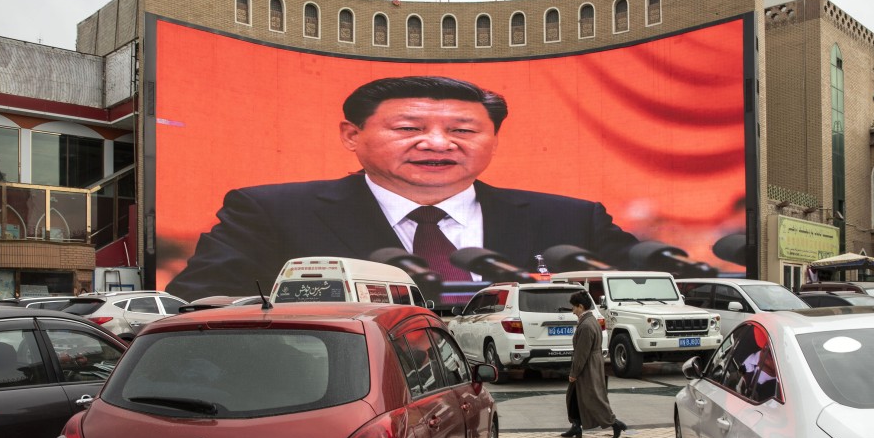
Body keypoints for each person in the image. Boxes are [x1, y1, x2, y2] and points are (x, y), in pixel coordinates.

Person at [166, 76, 643, 301]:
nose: (437, 143)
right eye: (408, 127)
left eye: (463, 130)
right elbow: (196, 304)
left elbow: (653, 293)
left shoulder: (571, 219)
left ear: (493, 141)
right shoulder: (268, 212)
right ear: (351, 135)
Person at [561, 290, 627, 438]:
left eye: (574, 307)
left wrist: (574, 373)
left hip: (587, 367)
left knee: (593, 398)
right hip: (593, 364)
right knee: (574, 396)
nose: (572, 311)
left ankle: (614, 423)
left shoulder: (586, 326)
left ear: (581, 307)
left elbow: (581, 353)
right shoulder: (591, 321)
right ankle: (576, 426)